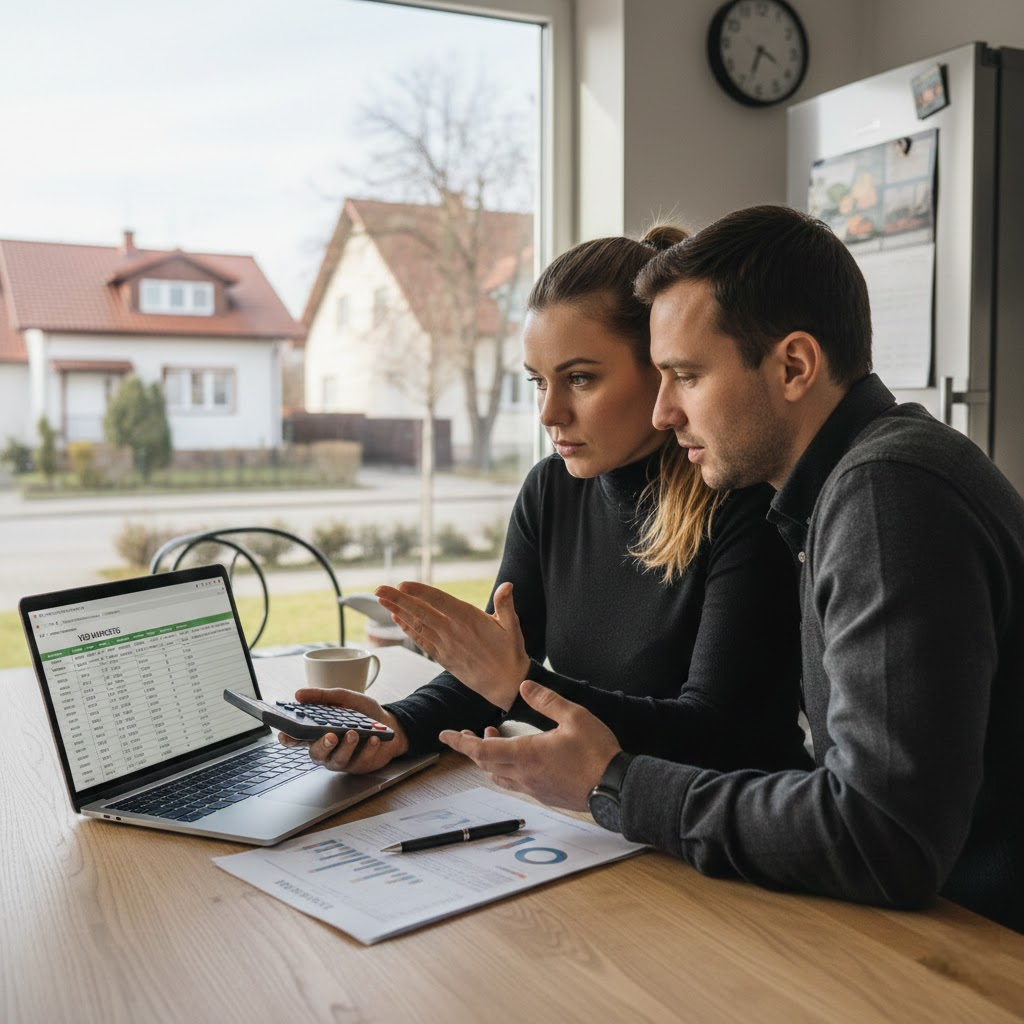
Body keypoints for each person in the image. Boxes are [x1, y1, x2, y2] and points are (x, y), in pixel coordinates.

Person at [432, 204, 1024, 934]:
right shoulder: (852, 484)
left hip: (985, 947)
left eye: (684, 375)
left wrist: (612, 784)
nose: (662, 412)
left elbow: (883, 840)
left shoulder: (883, 494)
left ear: (794, 366)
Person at [281, 226, 810, 780]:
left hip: (732, 834)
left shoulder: (744, 506)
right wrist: (397, 726)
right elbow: (490, 675)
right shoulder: (551, 489)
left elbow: (713, 735)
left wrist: (517, 685)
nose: (549, 413)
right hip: (612, 816)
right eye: (538, 382)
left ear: (661, 371)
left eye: (579, 379)